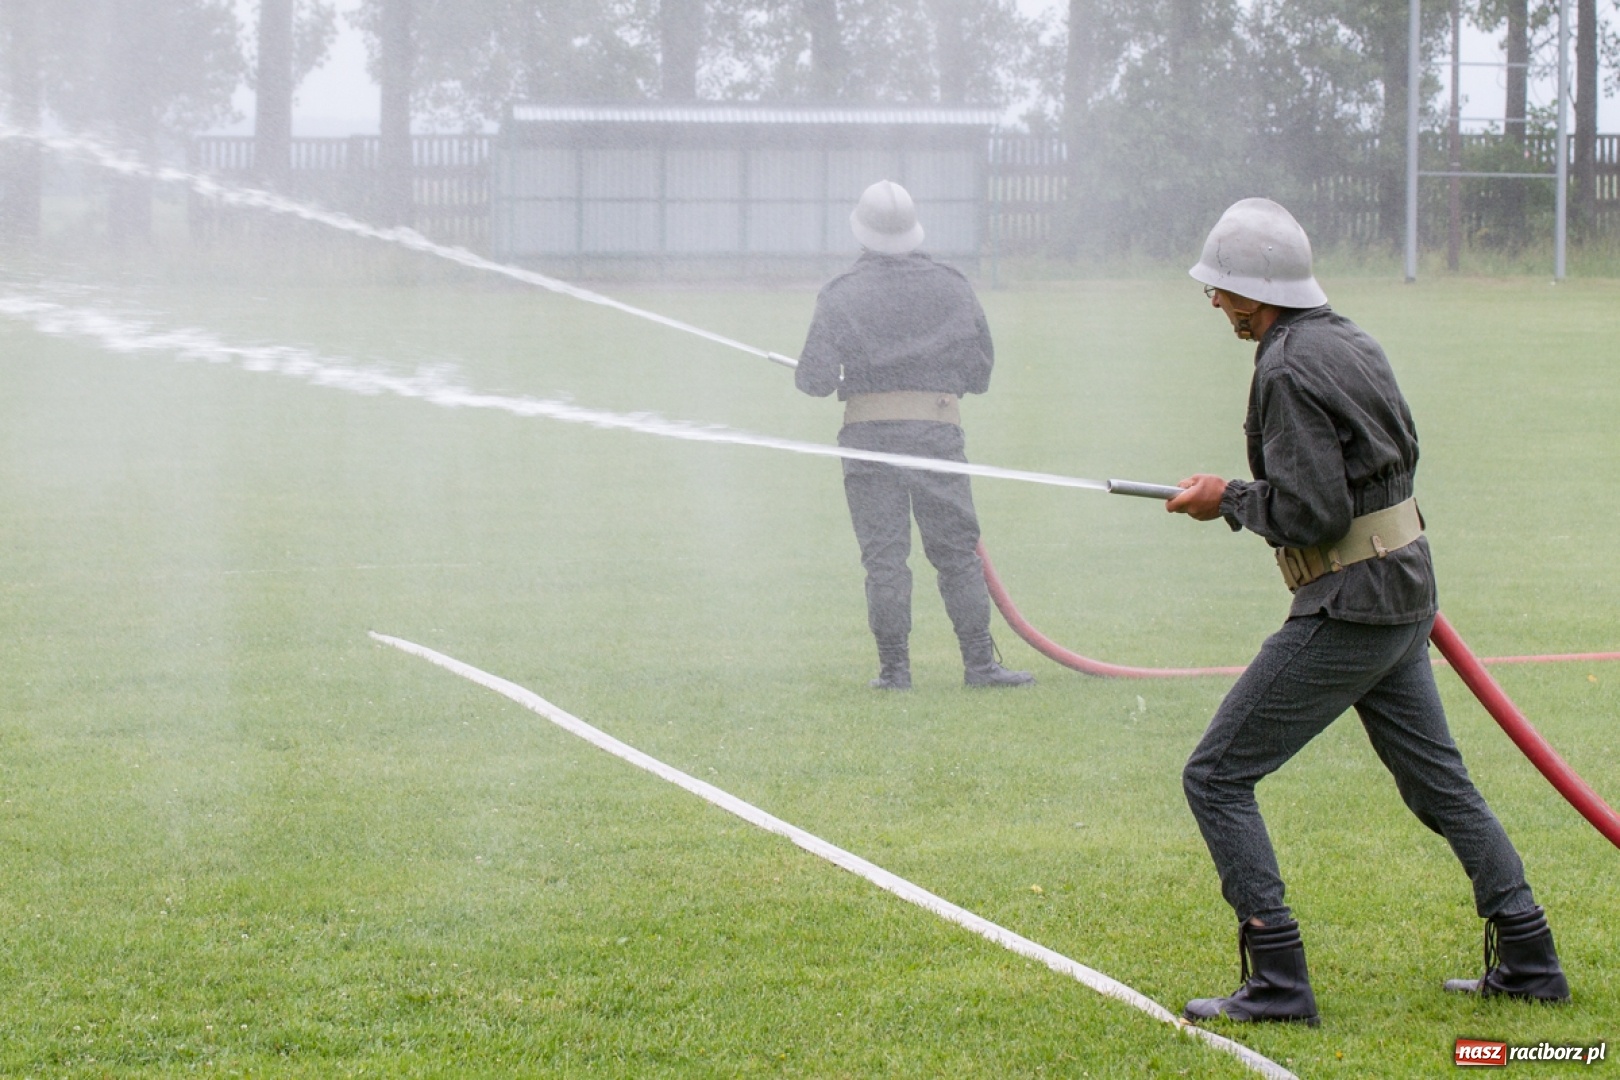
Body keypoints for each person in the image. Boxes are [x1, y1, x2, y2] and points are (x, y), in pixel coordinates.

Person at [1166, 197, 1569, 1025]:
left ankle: (1276, 980)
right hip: (1403, 590)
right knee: (1439, 784)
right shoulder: (1352, 338)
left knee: (1215, 775)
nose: (1216, 304)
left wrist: (1228, 499)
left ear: (1259, 291)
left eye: (1225, 292)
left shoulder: (1282, 367)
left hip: (1351, 604)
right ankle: (1528, 956)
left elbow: (1311, 511)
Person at [795, 179, 1032, 691]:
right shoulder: (952, 285)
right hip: (935, 435)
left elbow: (812, 380)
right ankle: (980, 666)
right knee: (955, 553)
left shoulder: (840, 293)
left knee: (885, 559)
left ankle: (894, 672)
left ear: (861, 232)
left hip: (868, 439)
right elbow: (981, 372)